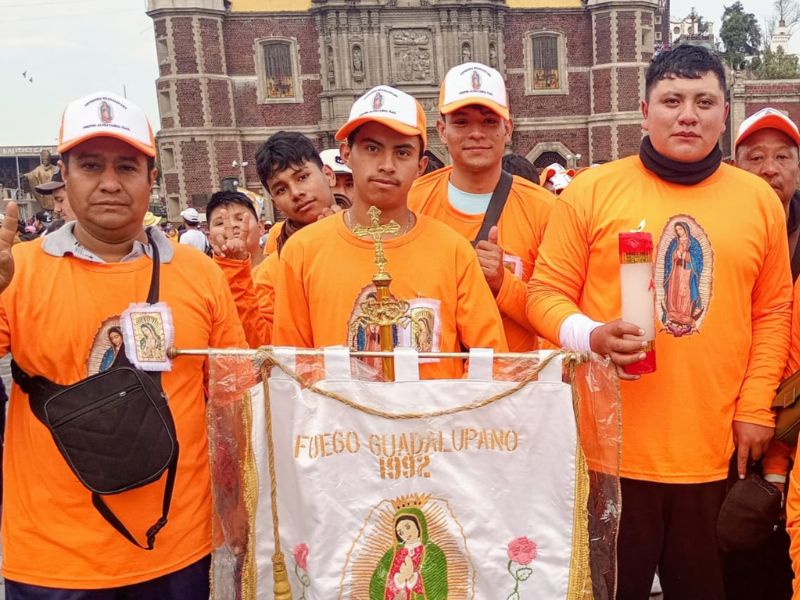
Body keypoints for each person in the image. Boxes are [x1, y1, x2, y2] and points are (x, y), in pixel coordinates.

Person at [527, 45, 792, 599]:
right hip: (611, 450)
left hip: (717, 447)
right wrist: (592, 335)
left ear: (725, 114)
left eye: (704, 101)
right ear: (645, 111)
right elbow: (544, 294)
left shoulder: (757, 201)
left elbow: (771, 312)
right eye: (672, 100)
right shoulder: (592, 191)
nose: (687, 114)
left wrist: (754, 408)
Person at [0, 90, 246, 596]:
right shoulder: (17, 272)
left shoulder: (200, 273)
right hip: (53, 557)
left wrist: (236, 505)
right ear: (63, 178)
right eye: (91, 165)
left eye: (128, 167)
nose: (110, 183)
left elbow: (231, 400)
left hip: (179, 545)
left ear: (151, 178)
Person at [272, 85, 507, 378]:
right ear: (346, 153)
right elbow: (291, 364)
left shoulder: (453, 250)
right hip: (341, 420)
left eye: (402, 152)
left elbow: (490, 360)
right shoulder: (303, 251)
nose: (386, 165)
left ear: (420, 166)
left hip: (435, 421)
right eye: (372, 148)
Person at [408, 62, 553, 352]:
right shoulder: (412, 202)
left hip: (516, 383)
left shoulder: (545, 209)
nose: (476, 133)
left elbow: (559, 315)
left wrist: (502, 282)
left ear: (507, 129)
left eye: (489, 121)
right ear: (442, 130)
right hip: (434, 385)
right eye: (461, 122)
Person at [731, 106, 800, 600]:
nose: (769, 169)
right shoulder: (727, 232)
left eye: (782, 157)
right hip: (734, 422)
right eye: (756, 157)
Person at [369, 508, 447, 600]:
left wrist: (412, 577)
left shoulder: (433, 552)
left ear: (419, 525)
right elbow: (379, 581)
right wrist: (400, 579)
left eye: (408, 527)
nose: (406, 534)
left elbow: (436, 585)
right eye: (401, 533)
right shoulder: (392, 554)